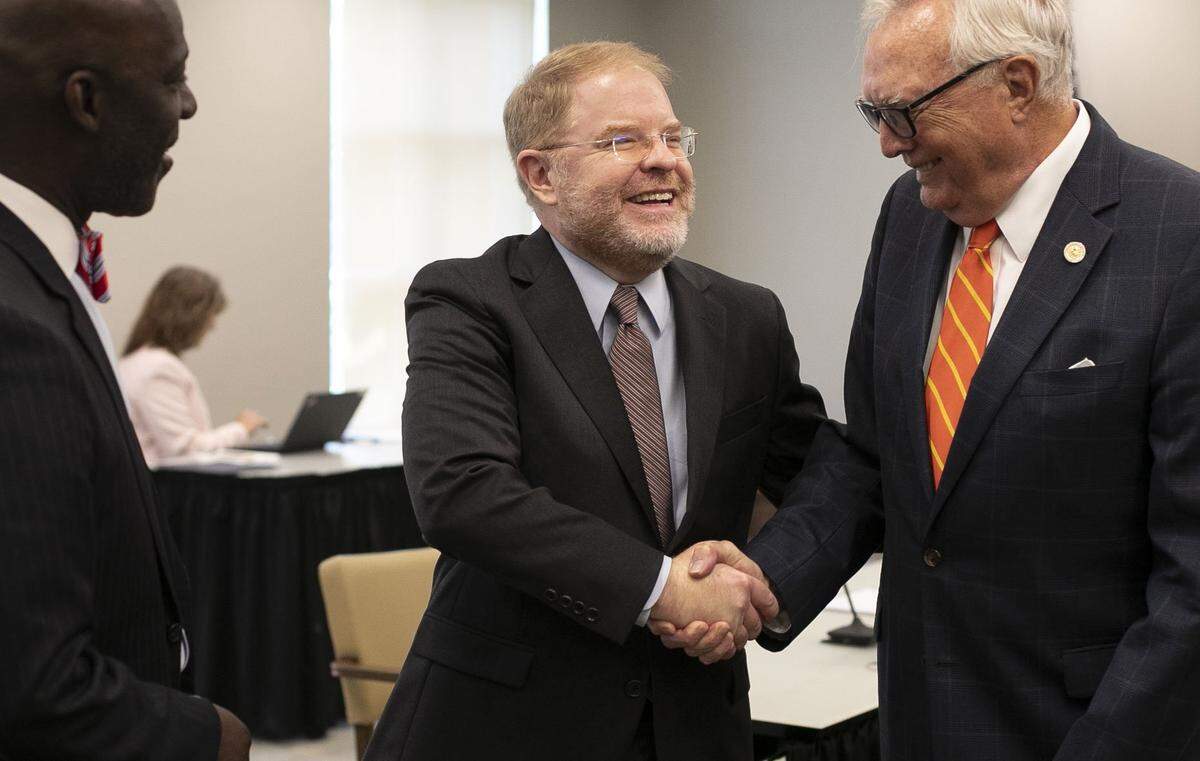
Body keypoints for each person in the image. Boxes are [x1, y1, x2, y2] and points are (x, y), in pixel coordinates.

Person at [657, 1, 1200, 759]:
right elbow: (874, 456)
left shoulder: (1178, 234)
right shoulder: (911, 220)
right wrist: (763, 578)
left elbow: (1192, 577)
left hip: (1087, 728)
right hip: (920, 721)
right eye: (873, 111)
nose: (886, 144)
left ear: (1017, 84)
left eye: (905, 113)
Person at [363, 41, 825, 761]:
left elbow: (821, 477)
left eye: (674, 138)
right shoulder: (468, 298)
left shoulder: (747, 316)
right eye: (624, 140)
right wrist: (663, 587)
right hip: (508, 727)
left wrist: (763, 581)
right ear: (541, 174)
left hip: (696, 723)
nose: (663, 159)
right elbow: (462, 489)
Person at [0, 1, 251, 759]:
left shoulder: (38, 272)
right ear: (86, 99)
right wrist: (206, 735)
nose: (189, 104)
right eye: (173, 77)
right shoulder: (13, 324)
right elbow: (33, 684)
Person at [119, 266, 268, 465]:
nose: (213, 325)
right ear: (191, 315)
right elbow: (184, 449)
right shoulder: (159, 369)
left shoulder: (134, 363)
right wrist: (241, 428)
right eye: (211, 314)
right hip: (166, 489)